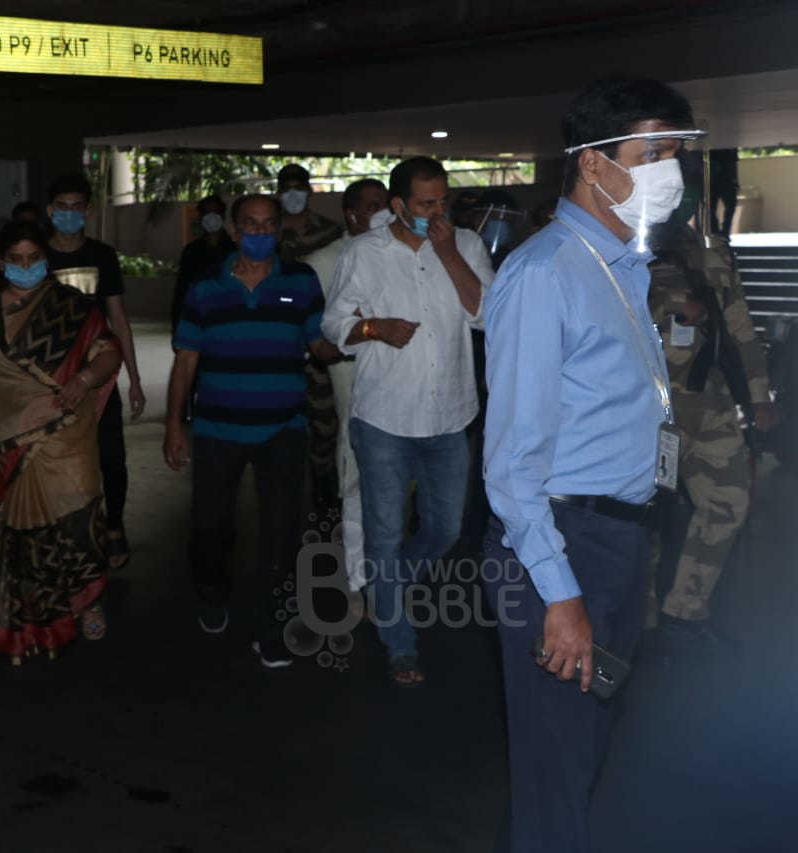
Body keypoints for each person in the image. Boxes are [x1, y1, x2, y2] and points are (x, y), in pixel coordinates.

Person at [482, 77, 704, 852]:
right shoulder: (544, 274)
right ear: (593, 165)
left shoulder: (622, 267)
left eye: (674, 154)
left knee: (586, 750)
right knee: (556, 765)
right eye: (653, 155)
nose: (668, 173)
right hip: (558, 545)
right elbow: (512, 464)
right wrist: (560, 591)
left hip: (612, 538)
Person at [322, 157, 493, 687]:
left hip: (449, 417)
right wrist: (373, 327)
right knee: (384, 537)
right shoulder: (363, 252)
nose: (437, 210)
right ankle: (399, 645)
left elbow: (486, 313)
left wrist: (446, 251)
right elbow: (333, 325)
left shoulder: (464, 245)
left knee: (445, 529)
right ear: (398, 205)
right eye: (425, 203)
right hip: (384, 420)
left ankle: (383, 592)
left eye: (443, 200)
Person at [165, 193, 332, 669]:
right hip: (218, 428)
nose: (259, 233)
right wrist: (174, 425)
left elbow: (318, 342)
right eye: (250, 225)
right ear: (235, 231)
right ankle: (213, 593)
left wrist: (355, 335)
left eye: (268, 225)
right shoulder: (205, 285)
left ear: (280, 230)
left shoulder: (301, 281)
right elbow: (186, 360)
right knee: (210, 528)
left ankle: (273, 627)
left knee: (283, 533)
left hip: (284, 428)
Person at [0, 220, 121, 663]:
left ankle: (86, 603)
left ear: (46, 260)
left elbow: (108, 351)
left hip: (68, 440)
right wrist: (11, 418)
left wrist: (84, 378)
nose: (26, 267)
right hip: (5, 451)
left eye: (34, 259)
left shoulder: (73, 306)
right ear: (1, 262)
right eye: (16, 260)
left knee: (79, 527)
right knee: (18, 538)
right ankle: (28, 621)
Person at [646, 221, 777, 656]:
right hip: (646, 412)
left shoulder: (713, 259)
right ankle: (638, 619)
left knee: (729, 500)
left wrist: (758, 397)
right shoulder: (633, 252)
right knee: (644, 518)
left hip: (707, 405)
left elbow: (740, 330)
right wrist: (670, 302)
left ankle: (684, 610)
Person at [45, 173, 143, 569]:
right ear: (51, 210)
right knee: (58, 457)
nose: (69, 214)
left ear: (86, 211)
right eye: (62, 207)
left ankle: (114, 525)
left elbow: (118, 318)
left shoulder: (102, 255)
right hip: (51, 377)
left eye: (77, 207)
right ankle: (62, 532)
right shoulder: (36, 257)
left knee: (111, 458)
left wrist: (134, 377)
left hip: (99, 374)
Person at [299, 178, 388, 591]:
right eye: (373, 206)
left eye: (386, 203)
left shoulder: (400, 253)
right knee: (355, 468)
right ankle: (357, 578)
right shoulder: (323, 261)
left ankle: (386, 571)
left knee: (393, 479)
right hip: (350, 374)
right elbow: (319, 333)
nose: (382, 212)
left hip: (399, 378)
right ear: (351, 214)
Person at [276, 163, 345, 513]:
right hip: (277, 345)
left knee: (324, 422)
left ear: (309, 190)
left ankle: (323, 492)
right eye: (286, 187)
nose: (292, 194)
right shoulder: (266, 233)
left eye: (298, 187)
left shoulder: (331, 233)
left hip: (319, 340)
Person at [171, 195, 234, 344]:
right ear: (201, 217)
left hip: (228, 321)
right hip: (198, 320)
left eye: (216, 212)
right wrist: (176, 329)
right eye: (207, 213)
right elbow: (181, 291)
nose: (212, 217)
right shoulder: (191, 251)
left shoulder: (235, 250)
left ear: (223, 216)